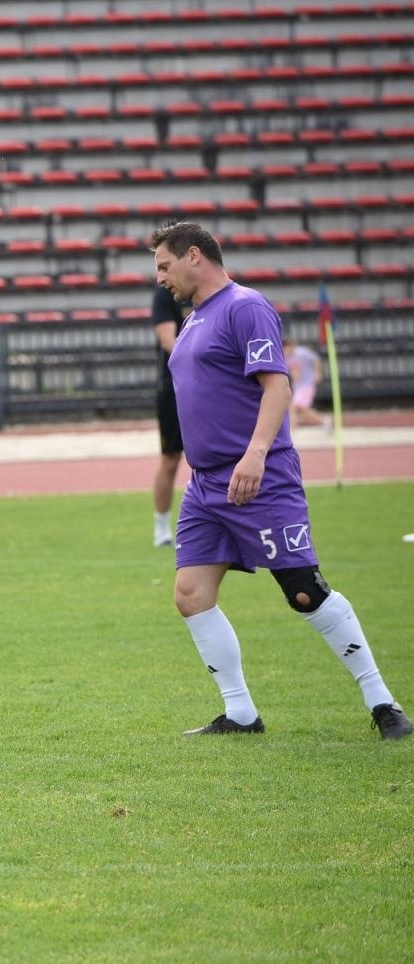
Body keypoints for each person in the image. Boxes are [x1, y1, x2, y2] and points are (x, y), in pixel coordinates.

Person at [150, 221, 408, 740]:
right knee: (190, 593)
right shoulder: (196, 318)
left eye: (164, 265)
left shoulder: (245, 306)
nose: (160, 278)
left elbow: (277, 387)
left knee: (304, 592)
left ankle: (384, 703)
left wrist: (255, 455)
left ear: (193, 255)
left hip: (258, 477)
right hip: (206, 487)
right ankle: (241, 713)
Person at [150, 285, 190, 546]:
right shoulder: (164, 294)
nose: (162, 275)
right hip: (175, 388)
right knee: (171, 458)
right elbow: (168, 341)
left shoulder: (211, 293)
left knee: (220, 457)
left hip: (212, 389)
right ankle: (161, 527)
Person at [283, 339, 325, 427]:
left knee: (296, 407)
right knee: (298, 408)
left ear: (290, 346)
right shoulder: (285, 358)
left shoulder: (301, 353)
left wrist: (317, 372)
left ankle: (324, 421)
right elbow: (293, 371)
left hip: (307, 383)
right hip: (298, 385)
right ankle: (324, 421)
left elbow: (315, 359)